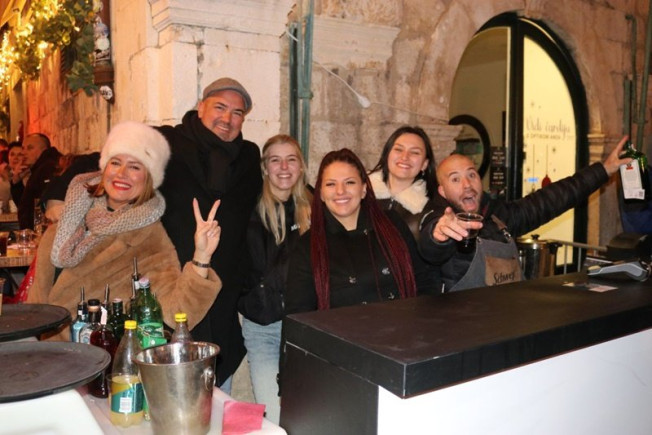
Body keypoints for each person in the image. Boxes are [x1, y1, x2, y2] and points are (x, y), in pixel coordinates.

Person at [27, 121, 223, 340]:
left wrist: (202, 257)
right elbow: (36, 306)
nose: (122, 173)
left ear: (148, 178)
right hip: (47, 354)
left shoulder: (148, 237)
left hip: (100, 356)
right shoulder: (66, 222)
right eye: (115, 162)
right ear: (104, 168)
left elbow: (176, 312)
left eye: (135, 167)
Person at [419, 135, 633, 292]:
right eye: (455, 179)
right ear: (442, 191)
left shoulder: (498, 215)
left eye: (472, 175)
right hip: (463, 327)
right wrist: (439, 236)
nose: (467, 184)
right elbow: (431, 246)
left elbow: (551, 199)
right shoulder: (436, 216)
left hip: (505, 320)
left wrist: (603, 170)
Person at [157, 77, 263, 392]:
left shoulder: (248, 156)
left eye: (237, 113)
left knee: (218, 381)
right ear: (201, 106)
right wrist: (56, 195)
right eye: (220, 107)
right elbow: (116, 156)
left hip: (225, 291)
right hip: (177, 285)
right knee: (172, 389)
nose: (227, 118)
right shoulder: (168, 142)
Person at [285, 148, 435, 316]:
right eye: (331, 184)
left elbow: (423, 281)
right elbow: (298, 314)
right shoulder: (308, 246)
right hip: (342, 332)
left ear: (364, 189)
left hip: (402, 326)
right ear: (320, 193)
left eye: (349, 182)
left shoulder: (392, 224)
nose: (340, 191)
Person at [238, 134, 311, 424]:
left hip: (306, 330)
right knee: (275, 415)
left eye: (291, 159)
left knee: (309, 416)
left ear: (301, 166)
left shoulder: (316, 208)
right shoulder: (248, 207)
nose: (283, 167)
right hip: (263, 329)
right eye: (275, 160)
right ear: (265, 167)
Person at [368, 125, 439, 241]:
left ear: (424, 164)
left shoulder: (431, 208)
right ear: (387, 155)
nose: (405, 157)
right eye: (398, 149)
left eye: (415, 152)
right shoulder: (362, 192)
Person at [10, 133, 61, 229]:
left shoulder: (48, 168)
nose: (23, 152)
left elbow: (45, 208)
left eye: (30, 148)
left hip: (42, 233)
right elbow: (25, 205)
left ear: (44, 150)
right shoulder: (38, 169)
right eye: (23, 148)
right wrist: (17, 183)